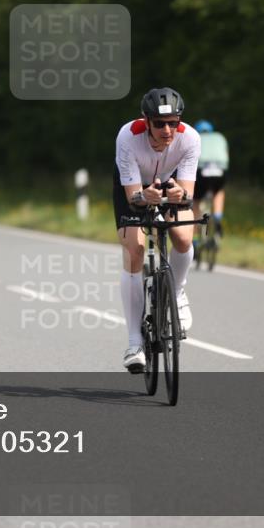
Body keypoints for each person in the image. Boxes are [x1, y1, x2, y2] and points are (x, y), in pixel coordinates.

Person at [113, 88, 200, 373]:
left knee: (184, 236)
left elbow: (188, 194)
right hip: (134, 186)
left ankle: (176, 292)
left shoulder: (190, 139)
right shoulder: (128, 136)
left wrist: (178, 195)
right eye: (160, 124)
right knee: (135, 250)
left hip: (168, 181)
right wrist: (143, 198)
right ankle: (134, 342)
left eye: (173, 123)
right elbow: (132, 196)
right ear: (146, 121)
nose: (167, 130)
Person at [192, 120, 229, 241]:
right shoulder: (220, 137)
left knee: (195, 200)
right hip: (220, 170)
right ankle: (218, 216)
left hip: (202, 170)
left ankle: (196, 238)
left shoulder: (194, 138)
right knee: (218, 191)